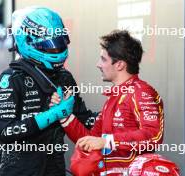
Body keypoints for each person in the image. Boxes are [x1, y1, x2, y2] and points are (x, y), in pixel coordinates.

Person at [0, 7, 96, 176]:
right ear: (27, 42)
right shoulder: (11, 79)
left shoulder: (64, 78)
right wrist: (51, 115)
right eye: (49, 46)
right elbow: (4, 132)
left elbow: (83, 118)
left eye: (60, 43)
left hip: (55, 168)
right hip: (20, 171)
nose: (56, 50)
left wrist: (112, 116)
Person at [54, 30, 164, 175]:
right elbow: (89, 140)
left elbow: (153, 135)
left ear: (119, 65)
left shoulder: (141, 92)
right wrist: (64, 114)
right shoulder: (113, 98)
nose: (98, 64)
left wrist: (107, 141)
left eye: (103, 59)